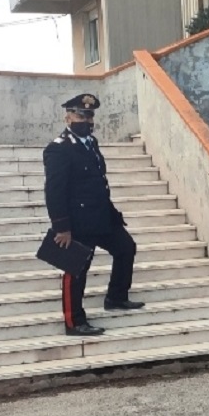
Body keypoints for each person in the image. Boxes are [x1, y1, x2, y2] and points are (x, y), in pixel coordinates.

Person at [43, 93, 145, 336]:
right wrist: (61, 227)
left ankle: (116, 297)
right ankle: (74, 322)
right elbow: (54, 191)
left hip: (102, 216)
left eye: (89, 116)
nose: (87, 121)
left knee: (126, 248)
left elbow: (98, 182)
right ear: (68, 118)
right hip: (78, 222)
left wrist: (112, 214)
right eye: (81, 115)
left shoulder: (91, 143)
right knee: (75, 270)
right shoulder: (58, 149)